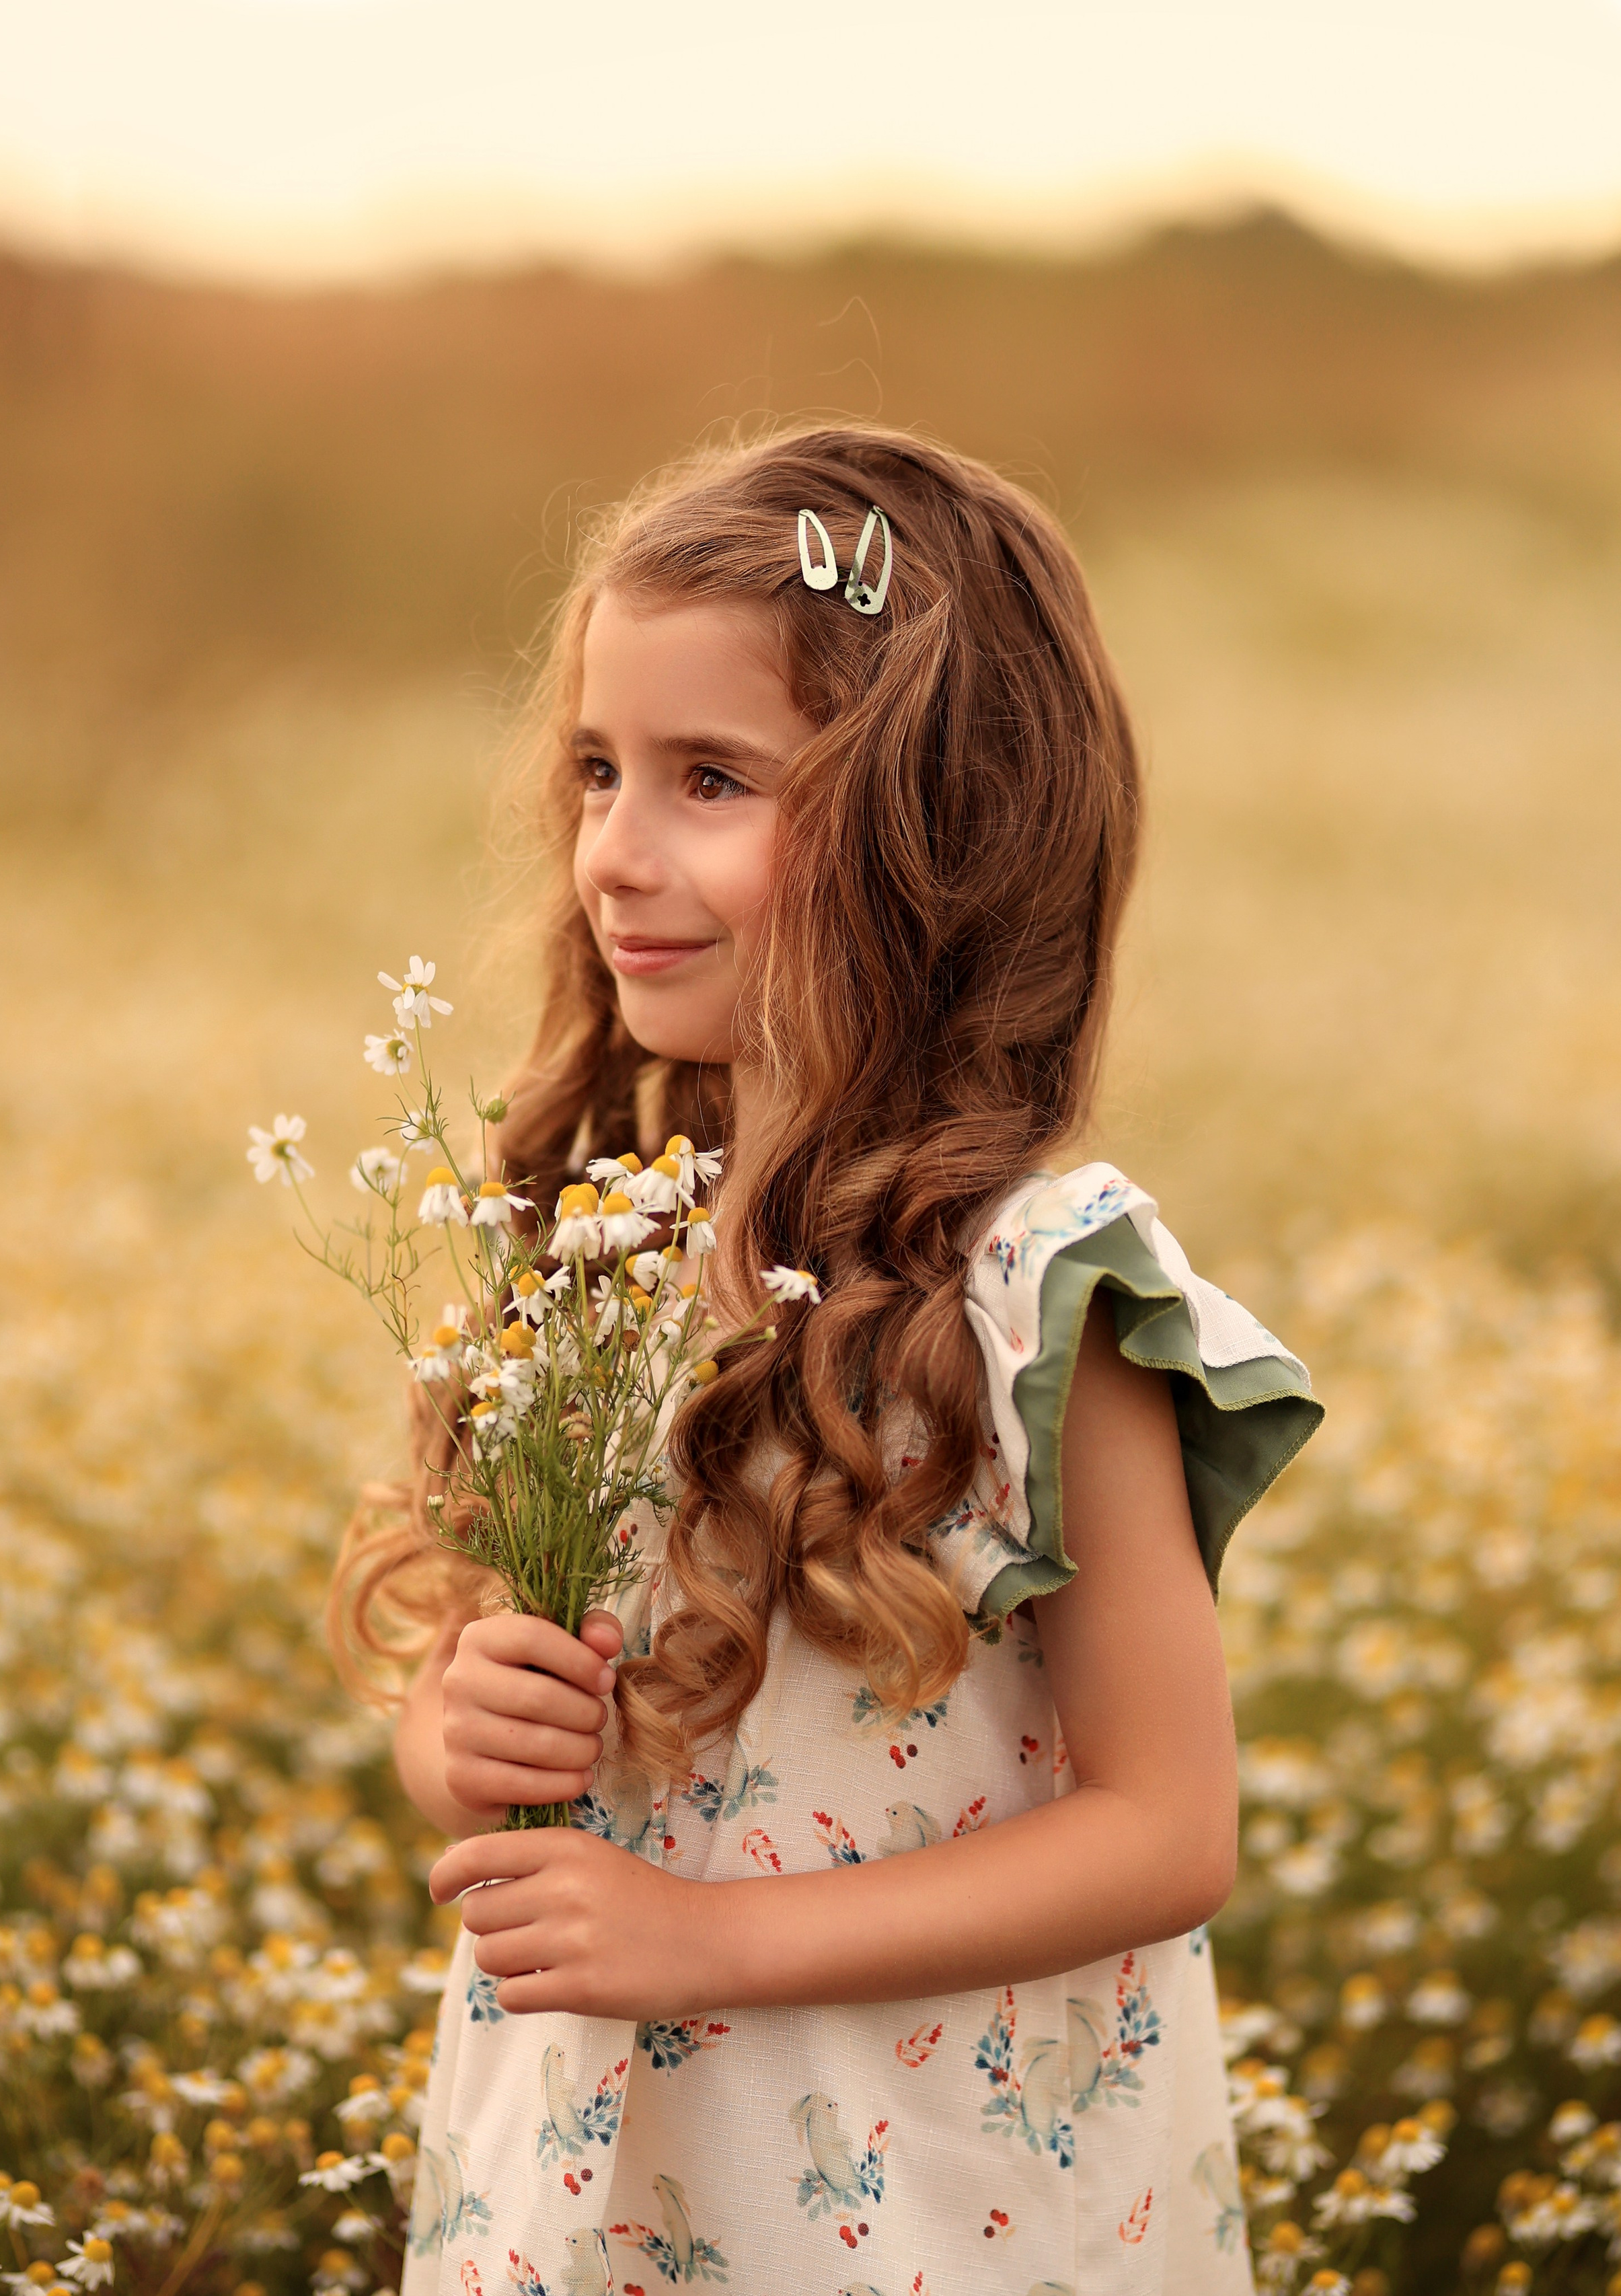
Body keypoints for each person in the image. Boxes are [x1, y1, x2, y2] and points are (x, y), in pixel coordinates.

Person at [336, 427, 1323, 2295]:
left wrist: (704, 1945)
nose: (615, 854)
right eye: (596, 773)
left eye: (712, 780)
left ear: (934, 830)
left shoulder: (1038, 1288)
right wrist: (462, 1736)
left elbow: (1168, 1827)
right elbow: (520, 1736)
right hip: (599, 2177)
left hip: (930, 2210)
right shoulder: (608, 1250)